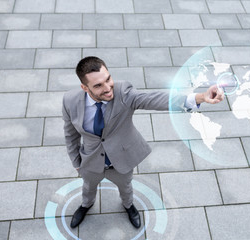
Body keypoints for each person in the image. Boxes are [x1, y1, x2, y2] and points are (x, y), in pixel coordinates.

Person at [62, 56, 224, 229]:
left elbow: (155, 99)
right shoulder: (70, 101)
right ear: (84, 88)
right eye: (98, 85)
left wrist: (199, 97)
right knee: (88, 187)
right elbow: (70, 135)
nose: (108, 88)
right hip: (90, 160)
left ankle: (129, 206)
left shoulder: (123, 92)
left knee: (126, 187)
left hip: (121, 159)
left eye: (108, 79)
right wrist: (76, 162)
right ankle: (86, 205)